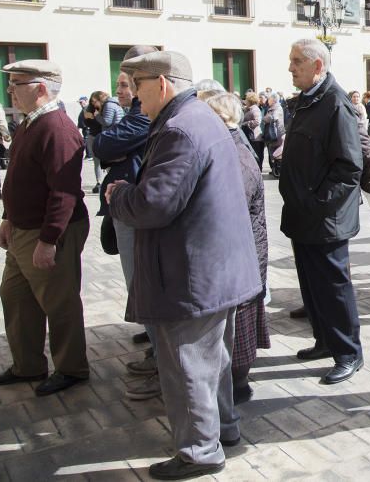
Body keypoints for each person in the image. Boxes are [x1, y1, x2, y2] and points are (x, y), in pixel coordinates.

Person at [107, 50, 260, 480]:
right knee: (213, 362)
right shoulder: (198, 117)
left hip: (193, 275)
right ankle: (221, 431)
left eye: (138, 86)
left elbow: (154, 204)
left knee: (187, 366)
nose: (135, 97)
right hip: (214, 269)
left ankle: (198, 451)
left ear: (162, 83)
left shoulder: (180, 127)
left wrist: (118, 194)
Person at [0, 60, 89, 398]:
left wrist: (48, 241)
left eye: (17, 83)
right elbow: (20, 178)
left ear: (41, 88)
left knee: (59, 303)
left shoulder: (57, 128)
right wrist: (7, 217)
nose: (10, 90)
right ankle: (28, 364)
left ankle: (72, 368)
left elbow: (64, 192)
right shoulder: (31, 123)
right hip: (21, 229)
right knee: (15, 297)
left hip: (47, 231)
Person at [280, 39, 364, 385]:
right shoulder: (307, 101)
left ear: (318, 66)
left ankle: (348, 353)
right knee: (312, 286)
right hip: (303, 215)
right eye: (291, 60)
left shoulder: (335, 103)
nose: (291, 67)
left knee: (333, 287)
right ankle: (324, 340)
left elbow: (348, 168)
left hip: (325, 219)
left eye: (297, 61)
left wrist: (316, 203)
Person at [93, 45, 158, 399]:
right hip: (126, 200)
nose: (123, 89)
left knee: (142, 279)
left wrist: (111, 143)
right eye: (119, 83)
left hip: (134, 202)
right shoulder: (138, 109)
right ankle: (155, 343)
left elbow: (103, 144)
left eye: (127, 80)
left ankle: (161, 357)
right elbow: (102, 143)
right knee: (137, 280)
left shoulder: (145, 110)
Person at [201, 92, 271, 406]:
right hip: (239, 250)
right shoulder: (227, 145)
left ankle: (239, 384)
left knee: (241, 321)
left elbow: (232, 200)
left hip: (243, 252)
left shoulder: (236, 151)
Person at [262, 93, 285, 177]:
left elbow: (272, 118)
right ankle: (274, 169)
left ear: (274, 100)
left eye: (269, 99)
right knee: (271, 152)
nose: (268, 100)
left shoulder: (278, 108)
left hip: (276, 134)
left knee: (276, 153)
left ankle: (278, 171)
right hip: (270, 134)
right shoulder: (271, 108)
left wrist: (265, 118)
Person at [242, 92, 265, 170]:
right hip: (250, 135)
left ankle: (258, 170)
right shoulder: (249, 108)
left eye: (247, 100)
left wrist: (245, 123)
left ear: (250, 100)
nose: (245, 101)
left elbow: (257, 121)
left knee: (257, 155)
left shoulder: (255, 109)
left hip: (255, 137)